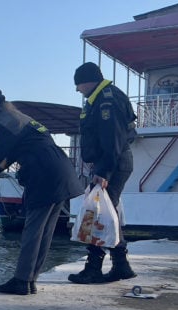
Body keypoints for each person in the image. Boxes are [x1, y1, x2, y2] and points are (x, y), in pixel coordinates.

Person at [0, 88, 84, 295]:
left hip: (44, 175)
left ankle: (22, 281)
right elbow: (5, 160)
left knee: (33, 230)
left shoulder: (2, 123)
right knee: (45, 232)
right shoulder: (17, 118)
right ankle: (30, 280)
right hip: (60, 172)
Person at [68, 62, 137, 284]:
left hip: (112, 164)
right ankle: (121, 265)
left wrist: (104, 171)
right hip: (110, 162)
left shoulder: (107, 99)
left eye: (78, 85)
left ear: (88, 81)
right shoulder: (102, 98)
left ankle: (94, 268)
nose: (78, 90)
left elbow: (112, 139)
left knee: (98, 215)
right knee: (108, 213)